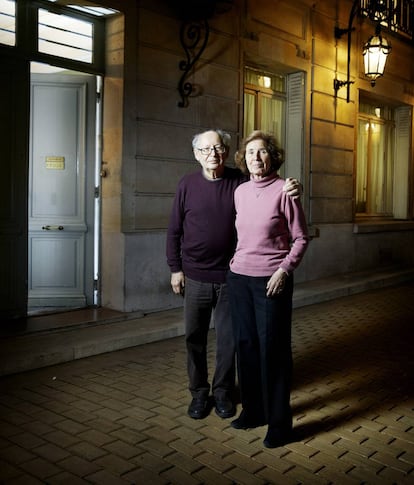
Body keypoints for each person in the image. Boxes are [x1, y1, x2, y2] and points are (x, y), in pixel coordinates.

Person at [166, 129, 302, 421]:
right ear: (196, 154)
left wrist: (294, 185)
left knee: (229, 340)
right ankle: (199, 394)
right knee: (194, 337)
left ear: (226, 152)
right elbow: (174, 230)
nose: (211, 155)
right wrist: (175, 268)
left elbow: (266, 182)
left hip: (230, 277)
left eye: (217, 148)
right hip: (195, 276)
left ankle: (224, 393)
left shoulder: (238, 182)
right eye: (204, 150)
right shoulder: (187, 184)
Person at [227, 130, 309, 448]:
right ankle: (253, 410)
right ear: (243, 159)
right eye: (249, 153)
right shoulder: (240, 191)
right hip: (239, 277)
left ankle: (279, 423)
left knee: (273, 351)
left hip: (271, 281)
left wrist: (284, 270)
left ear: (272, 156)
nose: (255, 158)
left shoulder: (285, 191)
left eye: (261, 152)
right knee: (245, 345)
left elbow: (300, 238)